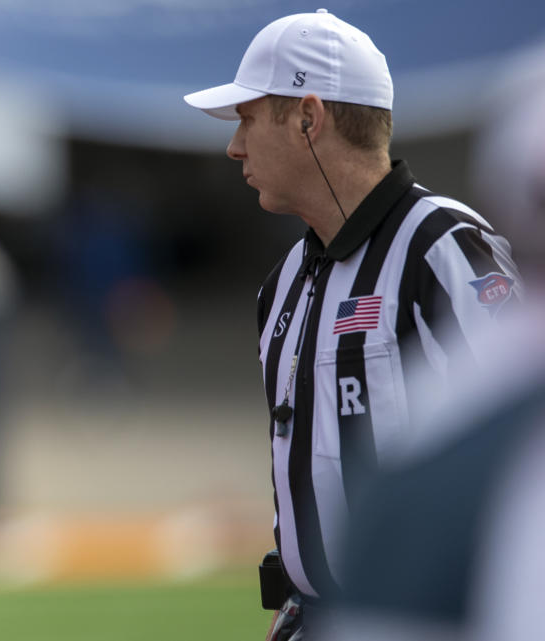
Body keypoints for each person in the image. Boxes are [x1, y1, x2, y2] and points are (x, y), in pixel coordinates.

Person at [182, 9, 522, 638]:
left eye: (249, 119)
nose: (234, 146)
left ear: (309, 118)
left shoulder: (442, 246)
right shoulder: (286, 278)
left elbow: (523, 444)